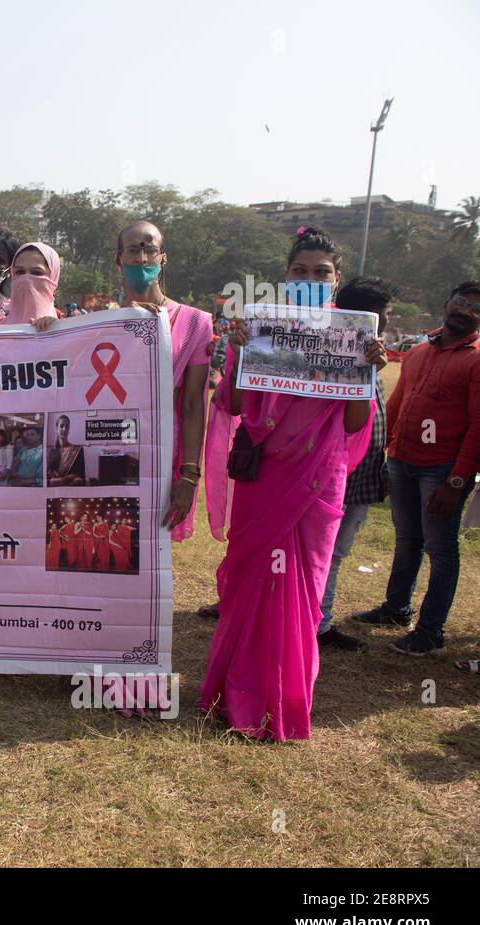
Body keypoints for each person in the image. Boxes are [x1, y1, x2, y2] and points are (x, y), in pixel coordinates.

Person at [199, 225, 384, 741]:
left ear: (336, 280)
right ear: (284, 279)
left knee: (302, 589)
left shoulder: (351, 340)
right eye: (299, 272)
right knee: (251, 579)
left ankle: (283, 701)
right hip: (266, 477)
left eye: (320, 273)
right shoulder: (261, 333)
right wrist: (238, 354)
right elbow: (234, 407)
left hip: (317, 483)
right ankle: (234, 692)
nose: (309, 279)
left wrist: (364, 372)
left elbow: (351, 427)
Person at [350, 280, 480, 655]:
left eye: (476, 308)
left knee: (441, 549)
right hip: (403, 462)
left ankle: (431, 632)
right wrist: (387, 455)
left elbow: (477, 426)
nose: (466, 310)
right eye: (461, 301)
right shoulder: (420, 351)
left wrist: (456, 481)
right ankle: (396, 608)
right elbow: (398, 404)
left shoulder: (476, 358)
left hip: (442, 470)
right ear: (447, 302)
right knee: (407, 540)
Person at [115, 221, 213, 540]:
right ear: (119, 261)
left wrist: (188, 474)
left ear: (162, 258)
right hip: (109, 448)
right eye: (133, 250)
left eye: (149, 249)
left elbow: (193, 402)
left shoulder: (195, 323)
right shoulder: (98, 324)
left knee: (154, 556)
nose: (141, 259)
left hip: (162, 454)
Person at [315, 278, 397, 652]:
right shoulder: (335, 355)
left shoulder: (370, 356)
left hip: (363, 474)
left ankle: (319, 618)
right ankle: (319, 623)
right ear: (369, 316)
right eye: (386, 315)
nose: (387, 322)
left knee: (338, 552)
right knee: (329, 553)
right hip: (339, 474)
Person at [0, 242, 62, 331]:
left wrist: (55, 331)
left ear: (53, 277)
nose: (26, 279)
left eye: (37, 273)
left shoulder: (68, 329)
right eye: (20, 272)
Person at [46, 415, 86, 486]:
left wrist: (65, 485)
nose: (64, 429)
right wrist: (63, 480)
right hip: (54, 493)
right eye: (61, 426)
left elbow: (80, 477)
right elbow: (48, 479)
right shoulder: (52, 452)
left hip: (72, 492)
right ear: (56, 428)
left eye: (67, 426)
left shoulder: (77, 450)